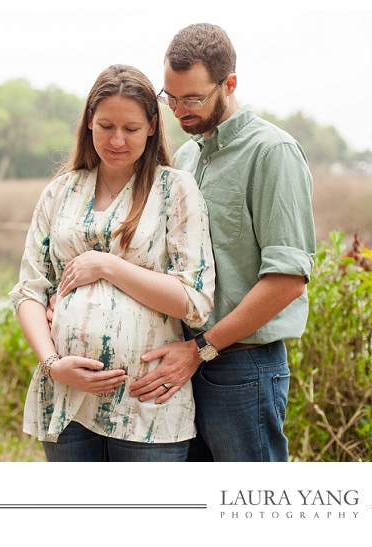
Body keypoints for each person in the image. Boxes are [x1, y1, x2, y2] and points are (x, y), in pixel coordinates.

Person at [126, 23, 317, 462]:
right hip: (181, 363)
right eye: (169, 97)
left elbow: (288, 280)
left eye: (192, 98)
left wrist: (201, 349)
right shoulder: (188, 156)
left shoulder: (272, 153)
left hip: (243, 369)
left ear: (229, 84)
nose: (178, 111)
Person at [9, 64, 215, 462]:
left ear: (153, 126)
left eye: (131, 128)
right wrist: (53, 365)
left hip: (148, 406)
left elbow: (195, 301)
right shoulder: (61, 192)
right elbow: (29, 291)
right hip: (68, 400)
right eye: (105, 125)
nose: (117, 139)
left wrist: (108, 266)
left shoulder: (175, 190)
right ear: (89, 121)